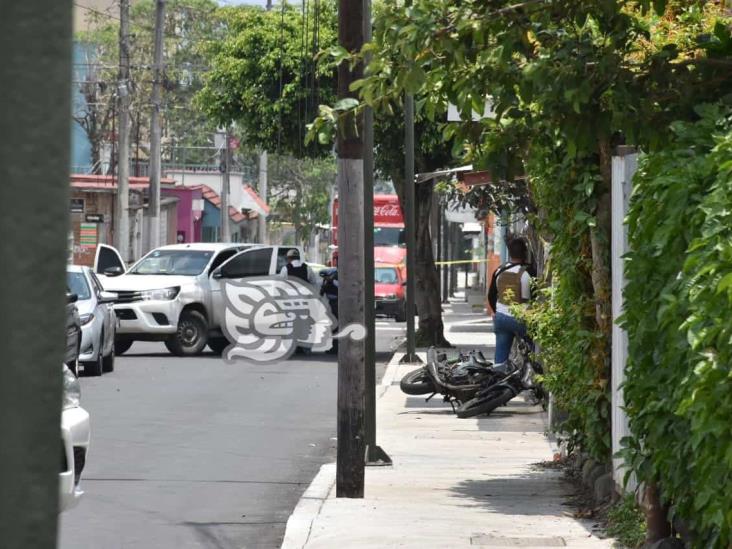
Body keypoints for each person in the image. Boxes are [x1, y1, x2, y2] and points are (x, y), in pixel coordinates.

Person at [487, 237, 532, 364]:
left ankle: (499, 378)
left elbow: (491, 296)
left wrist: (499, 312)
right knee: (533, 348)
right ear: (525, 253)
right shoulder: (529, 272)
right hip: (522, 319)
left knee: (500, 359)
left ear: (510, 253)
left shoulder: (499, 271)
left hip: (501, 318)